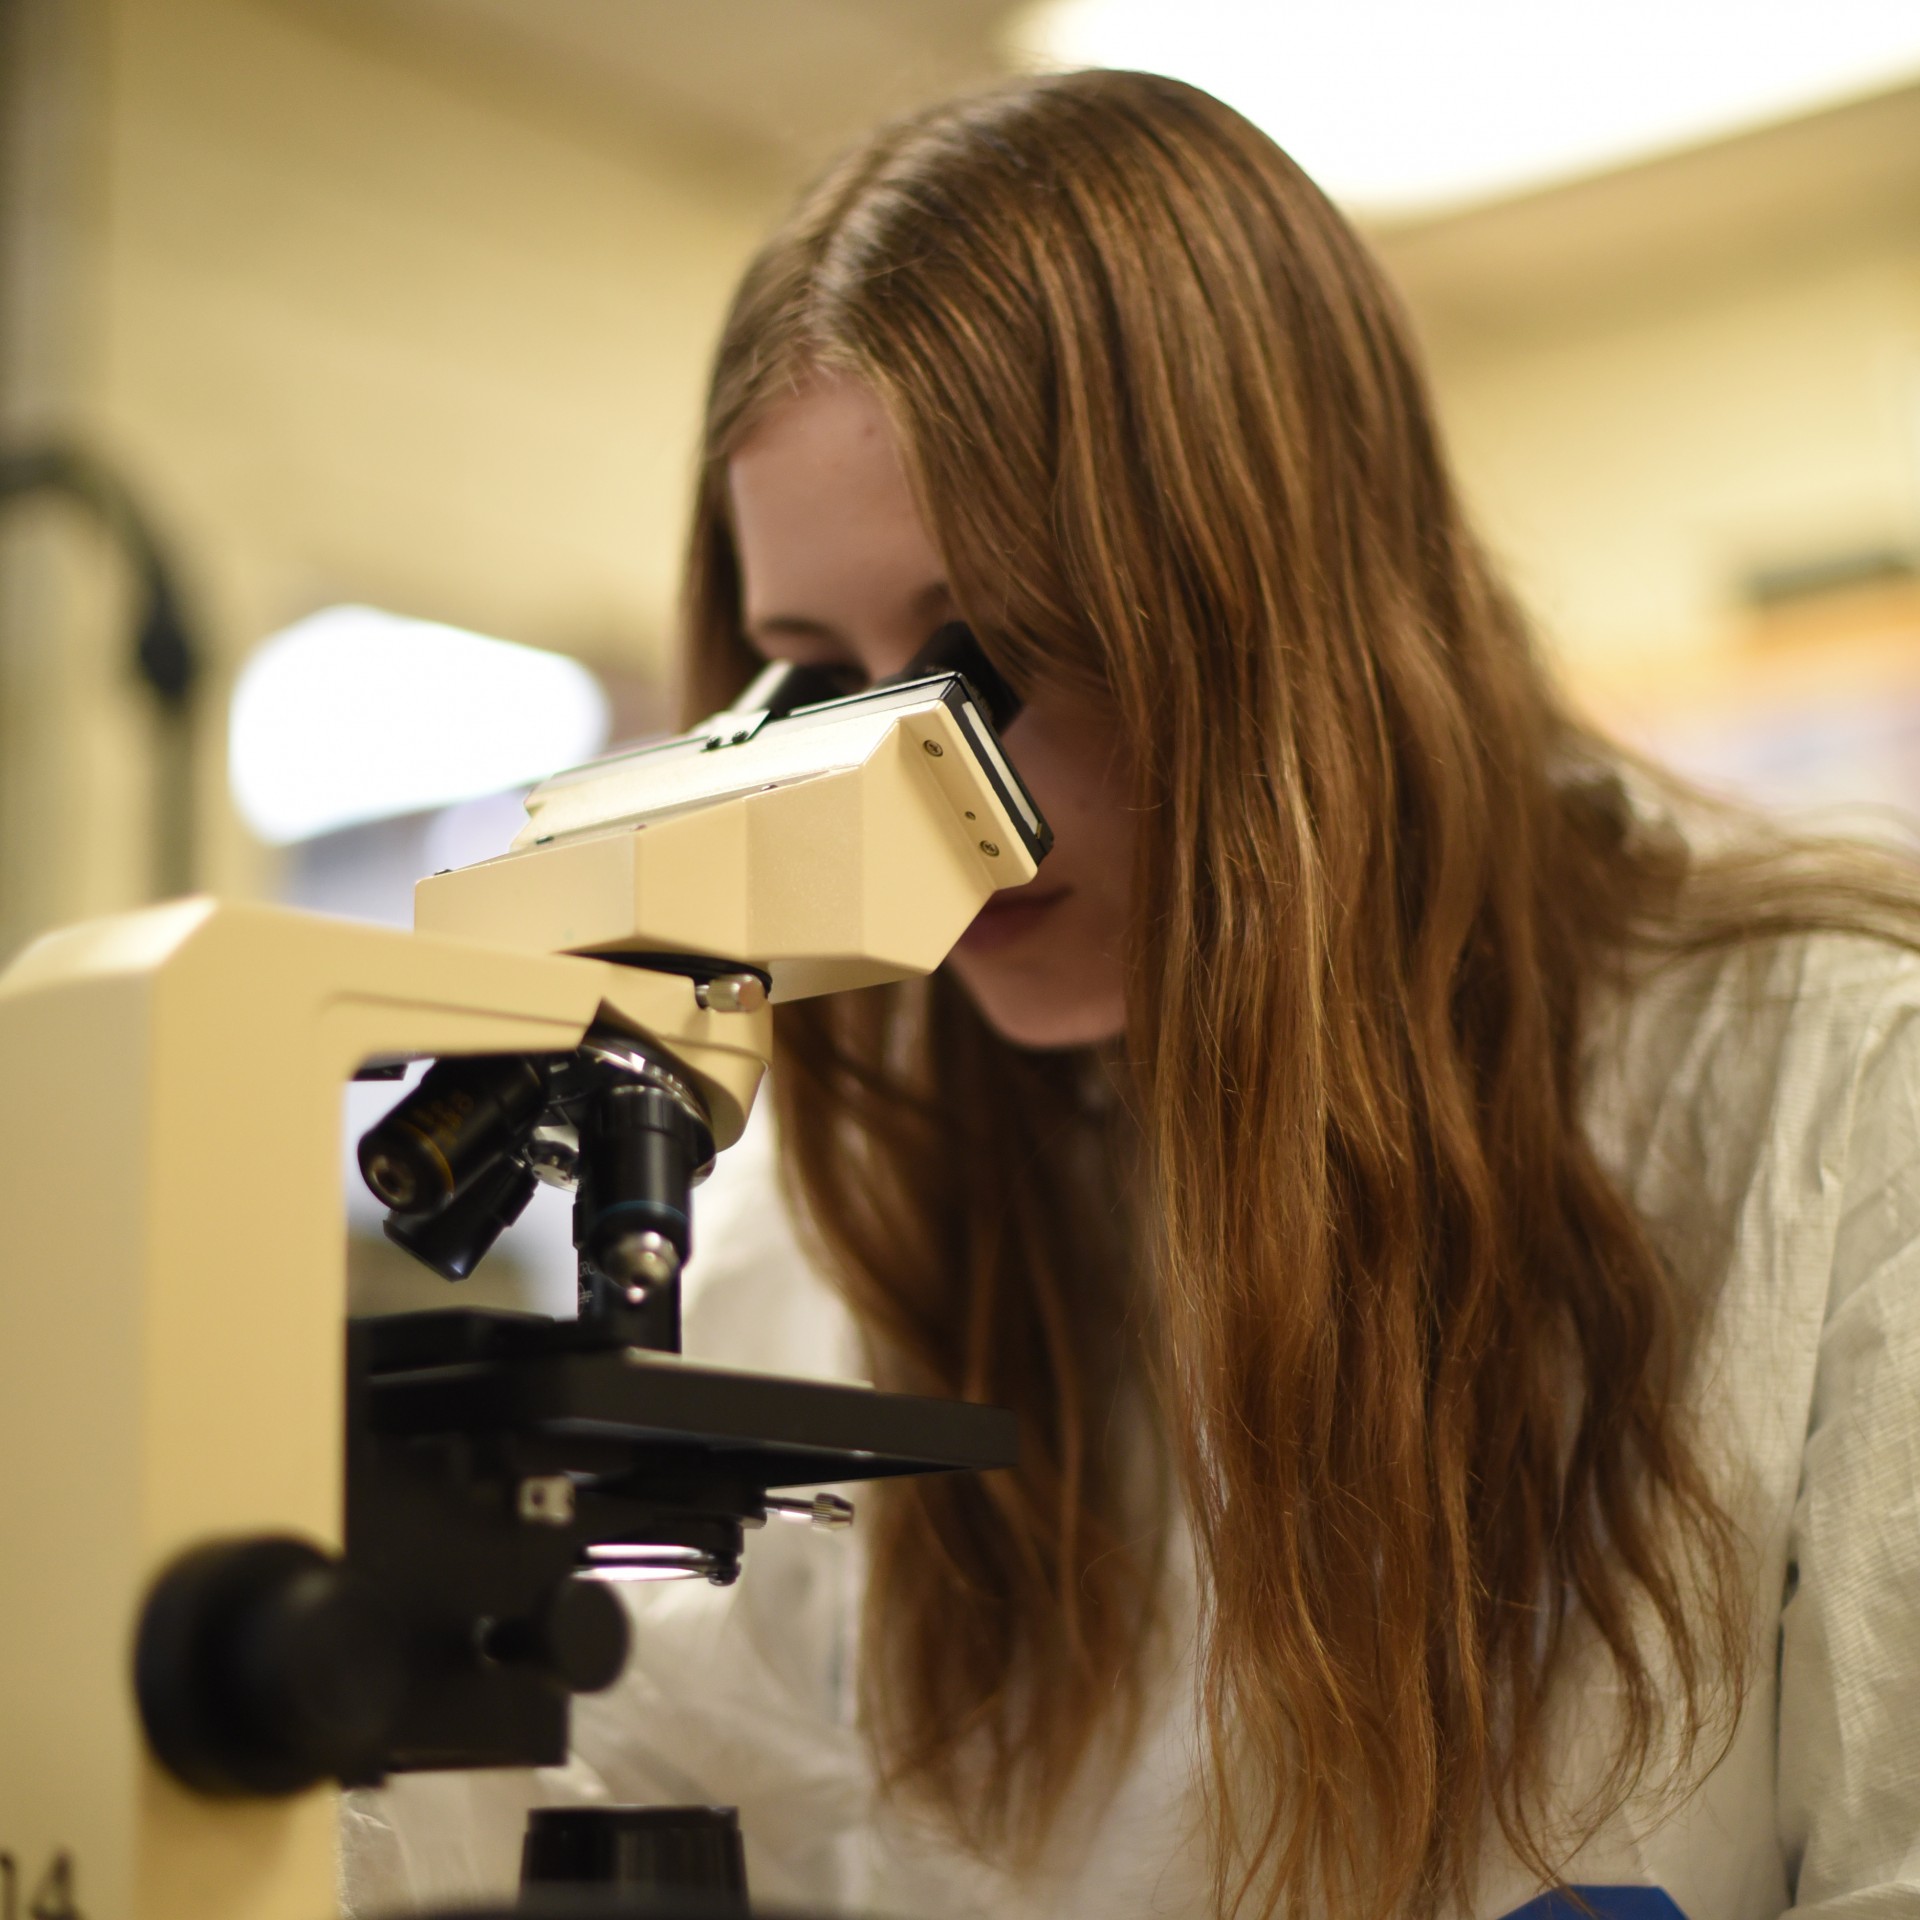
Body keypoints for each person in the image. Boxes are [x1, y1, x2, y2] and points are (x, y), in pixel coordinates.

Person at [348, 69, 1920, 1920]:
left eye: (1001, 653)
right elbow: (672, 1777)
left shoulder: (1835, 1099)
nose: (914, 806)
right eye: (813, 680)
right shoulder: (852, 1187)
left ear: (1288, 614)